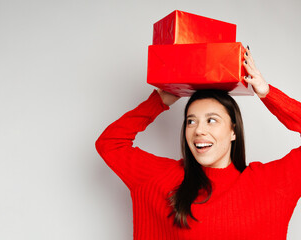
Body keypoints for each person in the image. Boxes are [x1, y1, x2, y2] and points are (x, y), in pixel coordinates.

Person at [95, 47, 301, 240]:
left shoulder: (272, 184)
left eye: (212, 120)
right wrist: (158, 101)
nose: (198, 130)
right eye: (191, 121)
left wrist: (268, 94)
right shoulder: (162, 178)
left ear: (233, 131)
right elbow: (110, 144)